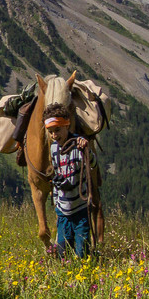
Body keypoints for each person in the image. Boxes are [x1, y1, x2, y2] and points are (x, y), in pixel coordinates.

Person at [46, 104, 91, 258]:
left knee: (82, 253)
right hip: (63, 211)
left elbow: (93, 165)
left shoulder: (79, 146)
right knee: (62, 253)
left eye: (57, 130)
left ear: (67, 125)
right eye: (51, 132)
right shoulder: (53, 149)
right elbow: (57, 173)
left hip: (80, 210)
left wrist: (86, 148)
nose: (54, 135)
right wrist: (58, 198)